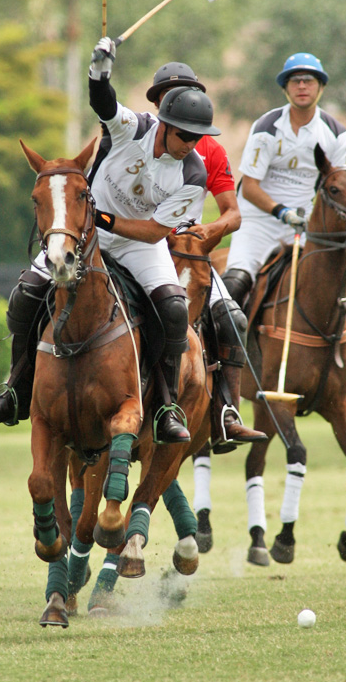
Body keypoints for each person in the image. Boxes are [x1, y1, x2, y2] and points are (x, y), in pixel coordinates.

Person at [0, 40, 213, 444]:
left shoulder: (193, 175)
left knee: (174, 309)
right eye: (185, 134)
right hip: (81, 235)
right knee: (27, 294)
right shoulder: (133, 128)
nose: (191, 142)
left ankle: (167, 405)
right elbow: (104, 103)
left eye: (198, 136)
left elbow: (155, 232)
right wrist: (99, 70)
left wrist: (103, 218)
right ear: (166, 124)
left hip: (139, 244)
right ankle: (15, 388)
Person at [222, 52, 346, 411]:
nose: (302, 86)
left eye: (309, 80)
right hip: (260, 223)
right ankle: (224, 376)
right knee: (233, 287)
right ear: (286, 88)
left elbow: (338, 182)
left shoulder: (335, 132)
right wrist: (282, 211)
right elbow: (251, 186)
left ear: (320, 87)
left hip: (306, 228)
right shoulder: (266, 127)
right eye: (295, 80)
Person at [145, 62, 267, 451]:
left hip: (185, 254)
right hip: (136, 247)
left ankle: (226, 412)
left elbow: (233, 212)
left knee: (231, 318)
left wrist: (213, 230)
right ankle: (26, 385)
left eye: (185, 92)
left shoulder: (209, 148)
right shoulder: (139, 140)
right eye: (168, 93)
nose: (177, 99)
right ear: (158, 102)